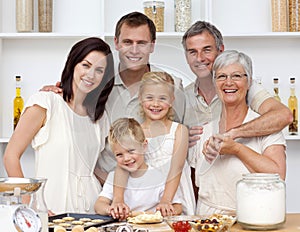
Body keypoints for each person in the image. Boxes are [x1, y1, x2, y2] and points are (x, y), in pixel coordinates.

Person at [3, 37, 115, 214]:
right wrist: (31, 203)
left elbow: (90, 167)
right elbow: (11, 156)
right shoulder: (46, 102)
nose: (91, 75)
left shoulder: (99, 117)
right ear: (73, 64)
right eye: (85, 65)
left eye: (99, 70)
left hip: (92, 212)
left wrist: (127, 190)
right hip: (52, 208)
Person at [181, 21, 292, 198]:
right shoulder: (182, 96)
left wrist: (231, 135)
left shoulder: (246, 87)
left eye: (207, 50)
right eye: (192, 52)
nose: (199, 58)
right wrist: (182, 136)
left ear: (221, 50)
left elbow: (283, 115)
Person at [189, 50, 286, 215]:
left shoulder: (267, 129)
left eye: (236, 76)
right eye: (221, 77)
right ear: (214, 84)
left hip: (253, 219)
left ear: (249, 83)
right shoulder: (202, 131)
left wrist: (236, 149)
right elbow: (194, 187)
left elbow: (278, 176)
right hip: (207, 221)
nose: (229, 82)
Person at [110, 72, 195, 219]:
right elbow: (122, 167)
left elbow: (177, 168)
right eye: (149, 98)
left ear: (172, 100)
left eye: (162, 98)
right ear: (140, 99)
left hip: (173, 196)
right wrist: (118, 199)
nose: (155, 104)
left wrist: (165, 201)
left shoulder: (179, 130)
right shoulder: (134, 131)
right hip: (147, 198)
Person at [94, 117, 183, 217]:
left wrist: (168, 209)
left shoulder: (159, 177)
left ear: (144, 146)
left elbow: (178, 206)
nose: (126, 158)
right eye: (119, 155)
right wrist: (111, 210)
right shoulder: (113, 177)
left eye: (131, 151)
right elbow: (99, 204)